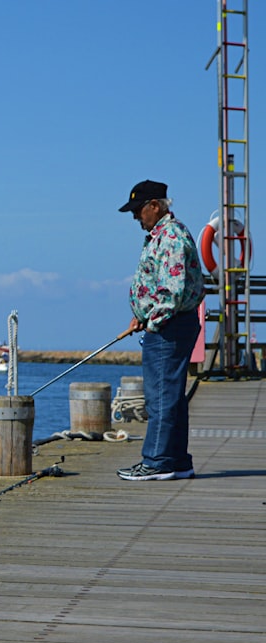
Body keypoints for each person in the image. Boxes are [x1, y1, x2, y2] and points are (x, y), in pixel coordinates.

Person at [117, 180, 205, 480]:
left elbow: (172, 290)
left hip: (168, 326)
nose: (135, 218)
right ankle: (178, 461)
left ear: (155, 205)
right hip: (168, 323)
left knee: (161, 397)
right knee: (172, 397)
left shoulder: (171, 237)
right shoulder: (163, 235)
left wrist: (152, 322)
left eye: (138, 211)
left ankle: (156, 461)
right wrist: (141, 315)